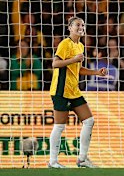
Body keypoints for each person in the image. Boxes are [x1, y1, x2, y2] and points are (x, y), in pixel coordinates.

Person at [48, 17, 108, 168]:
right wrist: (73, 59)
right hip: (61, 90)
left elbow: (78, 69)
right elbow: (55, 63)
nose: (80, 27)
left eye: (82, 25)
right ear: (69, 28)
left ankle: (82, 159)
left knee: (89, 121)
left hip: (74, 90)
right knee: (59, 126)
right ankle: (53, 162)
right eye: (77, 25)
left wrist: (96, 72)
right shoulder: (65, 44)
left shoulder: (80, 46)